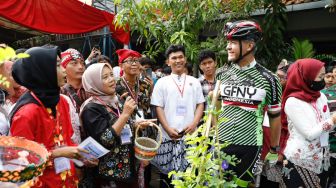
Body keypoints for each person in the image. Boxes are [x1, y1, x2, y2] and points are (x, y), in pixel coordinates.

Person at [9, 46, 91, 188]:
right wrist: (57, 153)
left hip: (67, 180)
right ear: (43, 71)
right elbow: (22, 164)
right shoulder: (26, 114)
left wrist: (82, 155)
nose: (64, 70)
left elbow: (67, 140)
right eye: (58, 65)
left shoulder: (62, 101)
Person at [215, 20, 282, 187]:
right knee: (220, 183)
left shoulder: (270, 79)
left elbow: (275, 117)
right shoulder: (221, 73)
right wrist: (215, 137)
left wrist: (274, 149)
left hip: (250, 146)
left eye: (232, 43)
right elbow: (216, 108)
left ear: (250, 45)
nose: (228, 47)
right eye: (228, 43)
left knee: (242, 185)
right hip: (222, 143)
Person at [80, 63, 155, 187]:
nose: (111, 80)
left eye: (111, 75)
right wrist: (125, 114)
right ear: (94, 82)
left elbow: (123, 126)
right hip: (110, 174)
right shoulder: (91, 108)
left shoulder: (116, 99)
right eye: (104, 77)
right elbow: (105, 140)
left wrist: (136, 124)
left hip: (130, 167)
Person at [150, 44, 205, 187]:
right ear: (168, 62)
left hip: (190, 136)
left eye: (180, 57)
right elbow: (158, 107)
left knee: (190, 176)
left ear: (185, 59)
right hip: (168, 136)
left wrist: (194, 124)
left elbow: (200, 104)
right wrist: (167, 128)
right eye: (173, 58)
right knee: (166, 179)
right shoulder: (162, 82)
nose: (178, 60)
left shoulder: (195, 81)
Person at [281, 58, 336, 188]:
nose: (324, 80)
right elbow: (310, 134)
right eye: (320, 76)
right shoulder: (293, 102)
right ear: (306, 77)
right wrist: (333, 120)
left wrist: (331, 121)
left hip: (322, 159)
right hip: (300, 161)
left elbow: (326, 126)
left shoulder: (320, 96)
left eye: (324, 76)